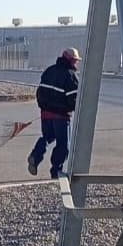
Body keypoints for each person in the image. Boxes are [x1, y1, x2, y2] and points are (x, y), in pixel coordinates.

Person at [27, 47, 80, 179]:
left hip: (45, 114)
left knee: (47, 137)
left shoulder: (49, 71)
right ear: (70, 60)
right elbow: (73, 100)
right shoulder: (71, 76)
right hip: (61, 117)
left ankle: (35, 156)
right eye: (75, 60)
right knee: (63, 146)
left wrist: (43, 107)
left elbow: (39, 93)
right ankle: (56, 171)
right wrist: (72, 108)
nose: (76, 63)